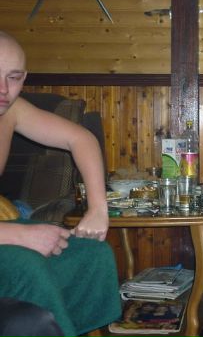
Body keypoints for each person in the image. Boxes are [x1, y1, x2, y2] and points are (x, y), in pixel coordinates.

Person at [0, 31, 121, 337]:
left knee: (91, 256)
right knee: (27, 265)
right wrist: (16, 235)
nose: (3, 89)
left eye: (13, 77)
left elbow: (80, 138)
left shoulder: (11, 111)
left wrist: (98, 209)